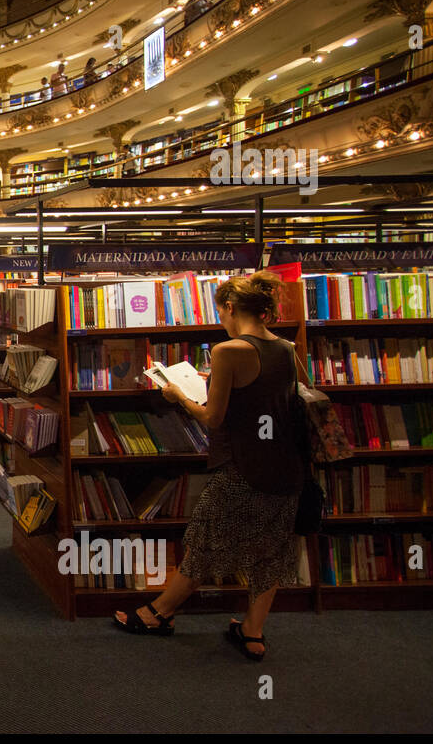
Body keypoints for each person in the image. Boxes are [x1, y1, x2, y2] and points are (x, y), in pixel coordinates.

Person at [114, 272, 304, 661]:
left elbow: (214, 418)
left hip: (242, 467)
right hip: (285, 466)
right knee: (271, 549)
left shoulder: (228, 351)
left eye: (221, 312)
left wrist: (179, 395)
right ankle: (252, 631)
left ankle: (158, 614)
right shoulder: (285, 347)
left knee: (205, 540)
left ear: (230, 308)